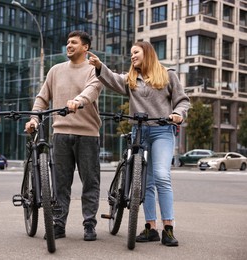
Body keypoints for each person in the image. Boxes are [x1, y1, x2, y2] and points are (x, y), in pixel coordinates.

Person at [88, 41, 190, 247]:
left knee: (161, 175)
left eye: (135, 52)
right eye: (131, 53)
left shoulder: (167, 75)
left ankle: (168, 228)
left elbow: (183, 100)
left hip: (162, 130)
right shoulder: (131, 78)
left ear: (147, 53)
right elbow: (113, 79)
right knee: (146, 181)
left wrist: (178, 114)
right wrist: (100, 66)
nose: (132, 56)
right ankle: (150, 227)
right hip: (139, 131)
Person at [25, 31, 103, 241]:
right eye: (67, 42)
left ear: (85, 47)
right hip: (60, 133)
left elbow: (92, 90)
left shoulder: (94, 70)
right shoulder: (55, 70)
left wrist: (78, 101)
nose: (69, 45)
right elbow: (42, 99)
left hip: (87, 134)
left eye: (74, 42)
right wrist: (34, 119)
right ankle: (58, 224)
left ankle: (89, 224)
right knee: (60, 184)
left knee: (90, 182)